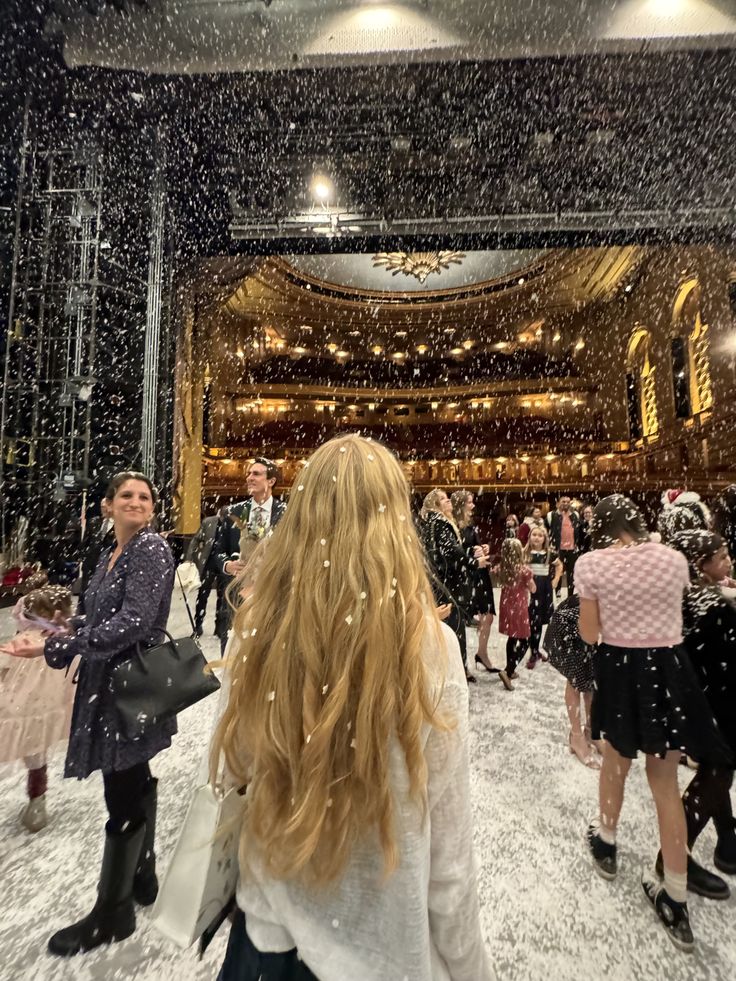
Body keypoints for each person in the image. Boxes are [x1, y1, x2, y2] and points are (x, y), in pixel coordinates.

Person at [211, 434, 491, 981]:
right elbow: (450, 865)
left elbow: (228, 779)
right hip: (379, 951)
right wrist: (472, 970)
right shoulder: (431, 649)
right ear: (395, 523)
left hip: (265, 943)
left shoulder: (255, 634)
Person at [1, 471, 176, 956]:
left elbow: (136, 621)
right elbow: (101, 616)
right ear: (107, 505)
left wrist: (64, 645)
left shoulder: (150, 549)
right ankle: (142, 873)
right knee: (134, 777)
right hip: (112, 684)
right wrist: (49, 633)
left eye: (145, 496)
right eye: (127, 495)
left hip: (127, 687)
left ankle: (112, 913)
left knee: (121, 790)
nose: (137, 501)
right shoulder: (110, 554)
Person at [577, 495, 730, 952]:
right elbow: (676, 616)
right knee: (664, 784)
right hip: (668, 670)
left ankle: (606, 842)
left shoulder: (592, 565)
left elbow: (589, 633)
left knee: (616, 764)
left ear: (603, 529)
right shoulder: (673, 560)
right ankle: (676, 896)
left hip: (621, 671)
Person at [668, 530, 736, 899]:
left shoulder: (688, 599)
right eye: (721, 555)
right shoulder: (710, 605)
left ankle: (727, 840)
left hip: (700, 703)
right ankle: (673, 856)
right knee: (718, 771)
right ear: (700, 565)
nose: (728, 560)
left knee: (719, 769)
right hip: (713, 704)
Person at [0, 573, 75, 831]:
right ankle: (37, 798)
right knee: (37, 750)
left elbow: (7, 666)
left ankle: (36, 799)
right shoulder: (62, 644)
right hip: (47, 706)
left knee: (30, 749)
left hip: (20, 705)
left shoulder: (27, 643)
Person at [213, 458, 287, 652]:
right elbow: (217, 551)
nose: (249, 478)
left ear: (271, 481)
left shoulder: (287, 514)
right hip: (237, 593)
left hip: (272, 593)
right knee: (232, 650)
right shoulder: (232, 512)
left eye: (256, 474)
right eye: (248, 474)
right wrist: (227, 565)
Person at [419, 488, 489, 683]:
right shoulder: (440, 522)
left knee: (449, 626)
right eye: (442, 499)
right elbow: (450, 551)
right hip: (448, 583)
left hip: (441, 581)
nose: (447, 500)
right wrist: (473, 562)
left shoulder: (433, 523)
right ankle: (457, 670)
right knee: (453, 627)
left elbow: (449, 549)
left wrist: (468, 550)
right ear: (435, 504)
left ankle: (455, 668)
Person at [545, 595, 600, 768]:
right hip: (571, 624)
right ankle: (576, 737)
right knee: (577, 680)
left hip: (590, 619)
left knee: (593, 680)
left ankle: (592, 733)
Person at [450, 490, 496, 674]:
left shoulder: (470, 523)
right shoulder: (453, 525)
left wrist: (483, 547)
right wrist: (471, 553)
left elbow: (472, 545)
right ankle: (461, 664)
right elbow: (457, 552)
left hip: (480, 573)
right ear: (461, 504)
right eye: (470, 502)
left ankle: (482, 653)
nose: (473, 505)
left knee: (488, 616)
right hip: (467, 575)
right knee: (461, 621)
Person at [185, 505, 230, 641]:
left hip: (224, 565)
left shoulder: (233, 525)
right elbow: (195, 540)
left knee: (222, 597)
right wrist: (189, 558)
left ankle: (220, 627)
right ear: (219, 515)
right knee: (203, 594)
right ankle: (198, 625)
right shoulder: (208, 523)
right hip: (208, 562)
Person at [496, 538, 535, 690]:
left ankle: (509, 670)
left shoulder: (502, 569)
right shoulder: (524, 571)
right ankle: (508, 670)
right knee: (525, 640)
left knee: (512, 638)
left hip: (506, 607)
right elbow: (533, 589)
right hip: (519, 608)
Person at [523, 524, 562, 669]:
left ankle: (536, 650)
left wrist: (556, 579)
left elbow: (559, 566)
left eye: (540, 535)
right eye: (534, 535)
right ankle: (533, 651)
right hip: (530, 589)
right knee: (532, 621)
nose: (537, 538)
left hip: (544, 589)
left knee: (539, 621)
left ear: (544, 538)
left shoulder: (549, 553)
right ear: (529, 537)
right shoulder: (525, 552)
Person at [78, 496, 115, 596]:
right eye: (101, 507)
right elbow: (85, 541)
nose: (103, 509)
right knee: (86, 591)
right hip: (91, 562)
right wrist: (82, 557)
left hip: (107, 563)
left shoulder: (119, 525)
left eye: (105, 507)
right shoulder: (94, 522)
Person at [548, 495, 580, 596]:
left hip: (572, 549)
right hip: (558, 549)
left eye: (567, 502)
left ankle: (570, 594)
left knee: (571, 574)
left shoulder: (575, 515)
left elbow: (579, 531)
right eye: (563, 502)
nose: (565, 504)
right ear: (558, 503)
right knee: (558, 571)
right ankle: (557, 592)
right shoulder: (552, 515)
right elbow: (545, 531)